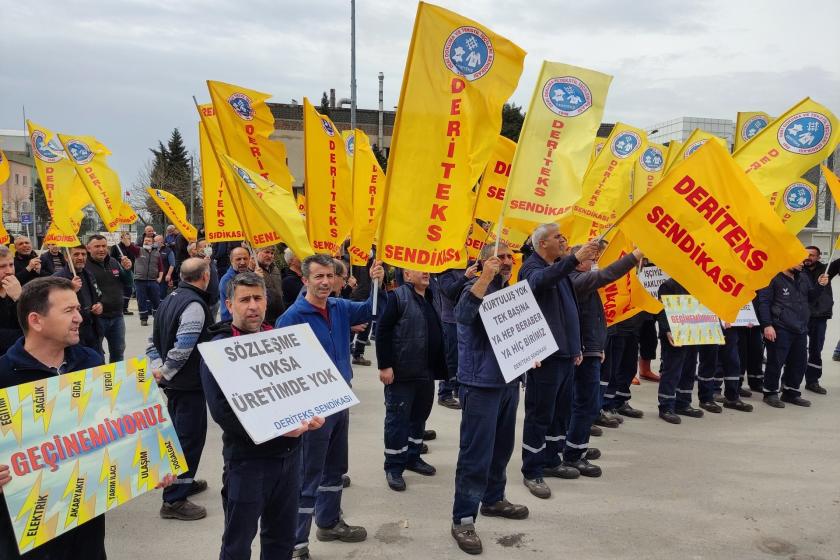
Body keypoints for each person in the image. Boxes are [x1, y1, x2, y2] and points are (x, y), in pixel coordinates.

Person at [0, 277, 176, 559]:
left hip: (87, 522)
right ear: (36, 320)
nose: (79, 318)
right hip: (27, 531)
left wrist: (149, 463)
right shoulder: (4, 376)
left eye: (77, 309)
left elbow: (113, 428)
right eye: (68, 310)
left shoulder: (90, 362)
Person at [201, 271, 324, 559]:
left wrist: (315, 413)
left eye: (258, 298)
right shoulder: (218, 350)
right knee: (237, 544)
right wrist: (275, 428)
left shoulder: (280, 340)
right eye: (244, 300)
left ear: (267, 302)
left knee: (282, 539)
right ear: (230, 305)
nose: (253, 306)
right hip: (247, 463)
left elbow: (302, 389)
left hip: (290, 458)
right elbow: (223, 413)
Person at [276, 254, 385, 559]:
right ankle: (296, 543)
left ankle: (329, 521)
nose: (325, 282)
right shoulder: (292, 318)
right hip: (313, 410)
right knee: (309, 474)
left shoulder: (338, 307)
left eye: (330, 276)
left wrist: (377, 282)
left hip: (340, 400)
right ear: (305, 280)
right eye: (318, 277)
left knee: (335, 468)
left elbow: (372, 311)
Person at [450, 243, 529, 555]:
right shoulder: (474, 287)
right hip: (480, 383)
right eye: (500, 257)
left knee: (501, 449)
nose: (507, 261)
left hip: (508, 382)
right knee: (475, 454)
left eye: (510, 257)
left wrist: (528, 353)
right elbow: (463, 316)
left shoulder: (510, 290)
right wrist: (484, 277)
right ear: (483, 262)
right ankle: (463, 519)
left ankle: (494, 499)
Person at [518, 223, 599, 499]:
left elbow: (570, 310)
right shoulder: (532, 268)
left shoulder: (559, 266)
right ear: (542, 243)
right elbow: (541, 282)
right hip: (545, 357)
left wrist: (576, 346)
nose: (563, 241)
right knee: (540, 415)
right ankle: (532, 470)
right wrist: (574, 259)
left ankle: (552, 459)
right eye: (557, 237)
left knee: (560, 414)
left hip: (565, 355)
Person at [564, 242, 642, 476]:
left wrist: (599, 346)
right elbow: (608, 275)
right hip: (583, 352)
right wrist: (634, 255)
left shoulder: (580, 278)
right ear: (580, 259)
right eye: (592, 258)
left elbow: (596, 318)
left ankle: (576, 447)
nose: (595, 263)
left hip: (591, 349)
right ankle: (574, 454)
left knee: (584, 403)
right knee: (584, 403)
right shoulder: (576, 281)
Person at [148, 257, 215, 521]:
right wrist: (165, 371)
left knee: (176, 437)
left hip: (174, 383)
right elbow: (185, 345)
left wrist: (159, 368)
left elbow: (152, 339)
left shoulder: (169, 298)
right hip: (187, 384)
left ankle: (183, 482)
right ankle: (174, 499)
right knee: (189, 438)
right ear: (205, 275)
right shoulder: (194, 305)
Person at [375, 268, 444, 491]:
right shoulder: (398, 297)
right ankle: (394, 467)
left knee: (419, 418)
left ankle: (413, 457)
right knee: (397, 422)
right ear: (406, 275)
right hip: (402, 373)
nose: (426, 273)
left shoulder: (431, 297)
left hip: (426, 372)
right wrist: (385, 365)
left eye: (428, 270)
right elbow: (383, 332)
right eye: (420, 270)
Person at [757, 262, 828, 408]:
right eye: (799, 261)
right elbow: (763, 303)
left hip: (800, 328)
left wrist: (820, 285)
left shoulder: (803, 277)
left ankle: (791, 393)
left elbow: (810, 298)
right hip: (780, 328)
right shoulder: (772, 278)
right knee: (776, 362)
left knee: (799, 363)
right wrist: (767, 325)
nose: (802, 264)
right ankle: (770, 393)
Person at [656, 278, 707, 424]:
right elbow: (662, 310)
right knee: (672, 369)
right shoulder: (668, 285)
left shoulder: (697, 283)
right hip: (673, 334)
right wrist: (666, 330)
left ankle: (683, 403)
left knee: (689, 368)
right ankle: (666, 406)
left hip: (692, 331)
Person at [434, 264, 480, 409]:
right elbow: (450, 292)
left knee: (464, 357)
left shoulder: (471, 264)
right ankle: (445, 393)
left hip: (467, 320)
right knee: (451, 358)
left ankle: (458, 389)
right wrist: (466, 277)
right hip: (450, 320)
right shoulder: (444, 268)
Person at [86, 234, 133, 363]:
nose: (101, 249)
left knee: (118, 353)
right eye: (97, 246)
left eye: (104, 246)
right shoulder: (84, 265)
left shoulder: (113, 261)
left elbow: (128, 282)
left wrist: (128, 270)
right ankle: (100, 381)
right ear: (88, 248)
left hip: (117, 316)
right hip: (96, 319)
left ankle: (115, 380)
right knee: (96, 354)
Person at [55, 244, 103, 353]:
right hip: (71, 331)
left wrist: (100, 305)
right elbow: (53, 305)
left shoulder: (88, 274)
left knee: (97, 363)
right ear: (67, 257)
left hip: (92, 329)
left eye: (83, 254)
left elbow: (98, 295)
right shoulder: (57, 279)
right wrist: (71, 291)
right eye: (76, 254)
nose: (81, 257)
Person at [802, 246, 832, 395]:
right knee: (794, 351)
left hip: (820, 316)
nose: (808, 257)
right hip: (801, 316)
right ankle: (786, 382)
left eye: (812, 255)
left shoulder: (827, 269)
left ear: (819, 257)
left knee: (816, 350)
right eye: (806, 254)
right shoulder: (798, 269)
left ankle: (812, 381)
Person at [134, 235, 164, 326]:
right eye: (145, 240)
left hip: (153, 280)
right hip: (140, 280)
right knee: (141, 300)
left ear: (152, 243)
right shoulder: (138, 250)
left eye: (148, 241)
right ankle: (143, 319)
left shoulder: (156, 253)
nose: (146, 242)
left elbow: (161, 267)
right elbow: (129, 246)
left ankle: (157, 318)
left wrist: (160, 278)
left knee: (156, 299)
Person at [253, 245, 286, 324]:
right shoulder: (252, 271)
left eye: (272, 253)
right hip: (264, 316)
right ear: (257, 253)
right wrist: (254, 277)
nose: (270, 255)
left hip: (280, 312)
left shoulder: (275, 269)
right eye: (266, 252)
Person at [219, 246, 252, 322]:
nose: (242, 262)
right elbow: (241, 301)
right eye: (238, 259)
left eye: (245, 258)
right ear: (231, 261)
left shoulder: (250, 275)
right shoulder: (227, 280)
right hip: (232, 321)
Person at [0, 246, 22, 353]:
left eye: (11, 265)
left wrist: (19, 299)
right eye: (2, 266)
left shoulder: (16, 289)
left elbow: (31, 322)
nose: (9, 271)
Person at [111, 232, 139, 316]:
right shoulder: (115, 247)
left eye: (129, 238)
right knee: (119, 290)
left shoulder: (132, 248)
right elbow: (112, 259)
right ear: (121, 238)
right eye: (126, 238)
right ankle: (118, 307)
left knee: (128, 290)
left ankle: (125, 308)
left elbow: (135, 258)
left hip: (129, 271)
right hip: (118, 271)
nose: (128, 240)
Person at [157, 234, 176, 300]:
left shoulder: (168, 251)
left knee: (162, 294)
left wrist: (168, 275)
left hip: (164, 277)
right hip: (153, 276)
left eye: (156, 241)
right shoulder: (153, 250)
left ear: (161, 241)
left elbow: (172, 264)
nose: (154, 242)